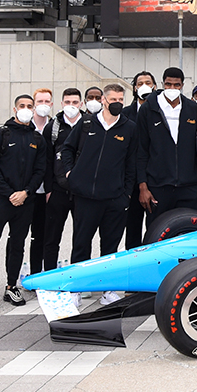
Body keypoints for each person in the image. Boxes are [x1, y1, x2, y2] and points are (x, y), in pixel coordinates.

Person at [59, 83, 138, 306]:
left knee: (110, 248)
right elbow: (66, 149)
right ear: (103, 100)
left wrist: (125, 195)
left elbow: (131, 164)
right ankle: (76, 289)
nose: (117, 104)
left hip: (114, 198)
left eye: (121, 100)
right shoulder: (86, 124)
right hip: (85, 197)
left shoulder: (129, 127)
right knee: (81, 244)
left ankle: (108, 290)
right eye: (113, 99)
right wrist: (70, 174)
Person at [0, 95, 47, 310]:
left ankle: (11, 286)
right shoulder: (0, 135)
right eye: (22, 106)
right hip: (0, 200)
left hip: (25, 201)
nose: (26, 109)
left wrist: (25, 192)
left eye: (29, 106)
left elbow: (40, 170)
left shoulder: (37, 138)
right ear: (14, 109)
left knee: (17, 245)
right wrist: (9, 194)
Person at [136, 67, 197, 233]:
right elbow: (141, 151)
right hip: (158, 187)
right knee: (156, 232)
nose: (172, 89)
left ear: (182, 85)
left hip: (189, 187)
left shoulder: (192, 109)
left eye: (176, 85)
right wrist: (143, 187)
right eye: (168, 84)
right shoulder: (148, 109)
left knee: (189, 232)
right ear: (162, 84)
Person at [43, 88, 84, 272]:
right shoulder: (53, 127)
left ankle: (78, 277)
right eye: (67, 102)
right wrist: (49, 188)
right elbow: (46, 159)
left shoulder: (89, 124)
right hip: (58, 190)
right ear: (61, 104)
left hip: (82, 192)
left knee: (81, 238)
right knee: (51, 237)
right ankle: (50, 275)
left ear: (81, 104)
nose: (71, 106)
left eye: (75, 102)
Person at [123, 71, 158, 250]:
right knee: (132, 226)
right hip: (130, 178)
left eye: (148, 82)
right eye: (140, 83)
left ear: (154, 86)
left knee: (155, 226)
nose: (144, 85)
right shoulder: (125, 114)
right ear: (135, 88)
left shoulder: (159, 111)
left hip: (153, 176)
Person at [28, 87, 53, 274]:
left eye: (47, 102)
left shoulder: (54, 128)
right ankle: (28, 272)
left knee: (44, 234)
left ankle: (43, 273)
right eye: (40, 102)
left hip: (47, 191)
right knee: (23, 236)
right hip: (27, 191)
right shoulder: (26, 127)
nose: (43, 105)